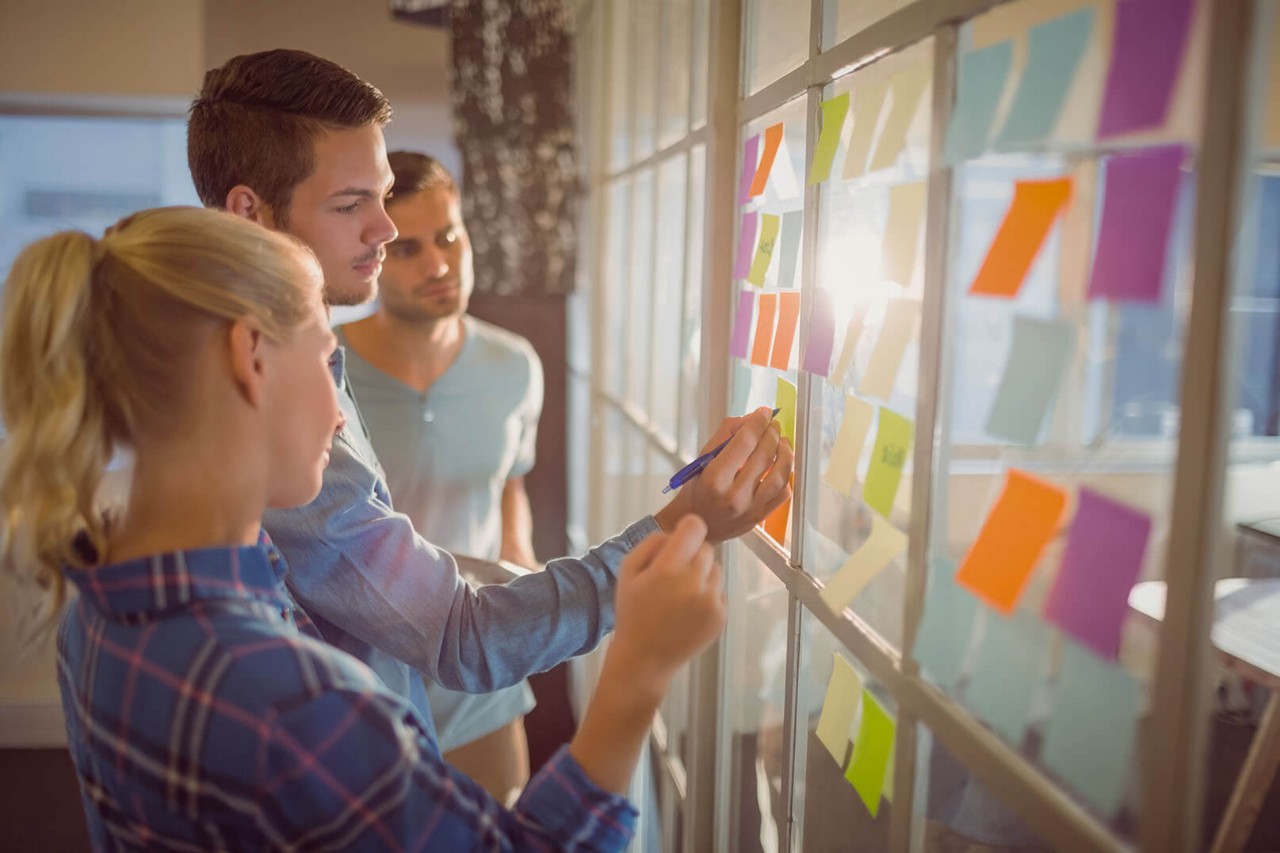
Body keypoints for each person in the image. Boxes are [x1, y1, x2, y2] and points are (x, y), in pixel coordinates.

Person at [2, 206, 727, 849]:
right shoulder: (295, 705)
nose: (342, 412)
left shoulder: (94, 599)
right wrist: (639, 668)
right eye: (325, 358)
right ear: (249, 357)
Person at [185, 47, 794, 743]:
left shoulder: (313, 356)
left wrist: (521, 576)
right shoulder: (265, 399)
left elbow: (419, 561)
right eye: (352, 204)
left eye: (382, 197)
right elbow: (460, 635)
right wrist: (682, 525)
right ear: (251, 212)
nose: (385, 230)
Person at [338, 151, 542, 803]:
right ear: (373, 256)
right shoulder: (324, 369)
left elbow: (510, 480)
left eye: (450, 236)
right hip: (366, 670)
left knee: (504, 824)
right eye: (409, 249)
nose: (439, 264)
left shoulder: (516, 366)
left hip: (482, 661)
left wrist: (521, 559)